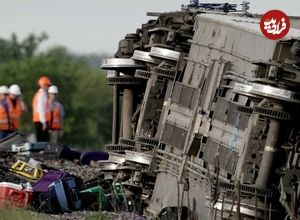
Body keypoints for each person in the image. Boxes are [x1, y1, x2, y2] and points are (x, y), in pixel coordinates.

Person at [32, 76, 51, 142]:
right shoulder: (42, 94)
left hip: (38, 120)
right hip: (41, 121)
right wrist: (44, 122)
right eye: (47, 85)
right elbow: (41, 109)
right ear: (43, 85)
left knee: (41, 139)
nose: (48, 87)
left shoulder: (39, 94)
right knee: (43, 140)